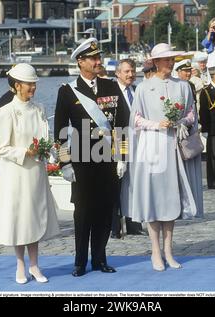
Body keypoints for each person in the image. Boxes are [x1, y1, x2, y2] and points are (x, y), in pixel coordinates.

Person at [53, 38, 128, 277]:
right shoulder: (67, 91)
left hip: (108, 160)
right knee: (83, 212)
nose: (98, 61)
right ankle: (79, 261)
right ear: (80, 62)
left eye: (99, 57)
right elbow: (60, 131)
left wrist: (122, 157)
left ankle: (100, 258)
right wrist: (65, 163)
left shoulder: (112, 87)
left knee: (106, 210)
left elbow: (123, 125)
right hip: (82, 161)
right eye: (93, 58)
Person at [126, 43, 203, 271]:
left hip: (174, 148)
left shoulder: (183, 86)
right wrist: (156, 124)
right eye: (166, 59)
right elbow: (135, 119)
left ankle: (169, 250)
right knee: (153, 198)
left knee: (171, 199)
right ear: (156, 62)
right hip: (152, 146)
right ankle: (155, 252)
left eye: (172, 59)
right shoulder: (143, 88)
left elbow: (192, 113)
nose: (170, 63)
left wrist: (181, 122)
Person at [0, 63, 60, 283]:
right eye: (29, 84)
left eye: (34, 84)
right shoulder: (7, 111)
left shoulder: (39, 109)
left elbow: (44, 138)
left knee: (35, 217)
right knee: (20, 219)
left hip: (36, 172)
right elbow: (0, 147)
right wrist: (25, 152)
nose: (33, 88)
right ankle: (20, 265)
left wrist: (51, 151)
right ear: (17, 85)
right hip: (16, 173)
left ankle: (35, 265)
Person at [111, 58, 145, 238]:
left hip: (138, 144)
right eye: (126, 72)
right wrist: (118, 155)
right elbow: (112, 125)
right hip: (119, 143)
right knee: (116, 184)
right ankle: (115, 226)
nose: (131, 74)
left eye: (132, 71)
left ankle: (134, 223)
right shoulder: (111, 92)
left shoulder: (137, 90)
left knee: (134, 184)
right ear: (117, 73)